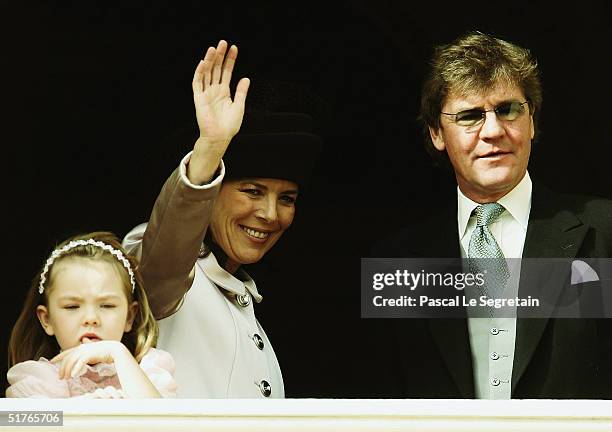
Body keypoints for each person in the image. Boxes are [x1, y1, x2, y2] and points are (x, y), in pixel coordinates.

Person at [371, 31, 612, 399]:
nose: (494, 131)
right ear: (437, 132)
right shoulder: (397, 259)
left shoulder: (604, 230)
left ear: (532, 121)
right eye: (469, 116)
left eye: (509, 109)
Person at [123, 40, 321, 398]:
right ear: (212, 191)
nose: (270, 214)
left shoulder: (243, 304)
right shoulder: (161, 277)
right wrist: (210, 150)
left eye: (287, 199)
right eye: (252, 191)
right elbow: (167, 250)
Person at [6, 232, 177, 398]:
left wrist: (117, 352)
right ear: (47, 319)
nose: (91, 318)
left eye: (107, 305)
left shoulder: (149, 369)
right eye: (72, 307)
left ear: (129, 316)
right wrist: (82, 412)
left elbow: (165, 424)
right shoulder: (38, 379)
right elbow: (25, 422)